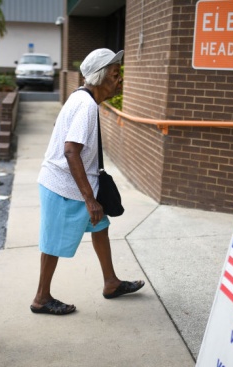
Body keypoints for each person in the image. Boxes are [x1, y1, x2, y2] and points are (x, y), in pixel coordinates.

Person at [31, 48, 145, 315]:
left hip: (76, 186)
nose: (120, 80)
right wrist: (90, 199)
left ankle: (111, 283)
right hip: (63, 188)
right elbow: (71, 151)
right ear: (99, 78)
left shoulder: (83, 100)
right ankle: (41, 298)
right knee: (53, 244)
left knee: (100, 228)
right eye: (116, 75)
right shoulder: (85, 105)